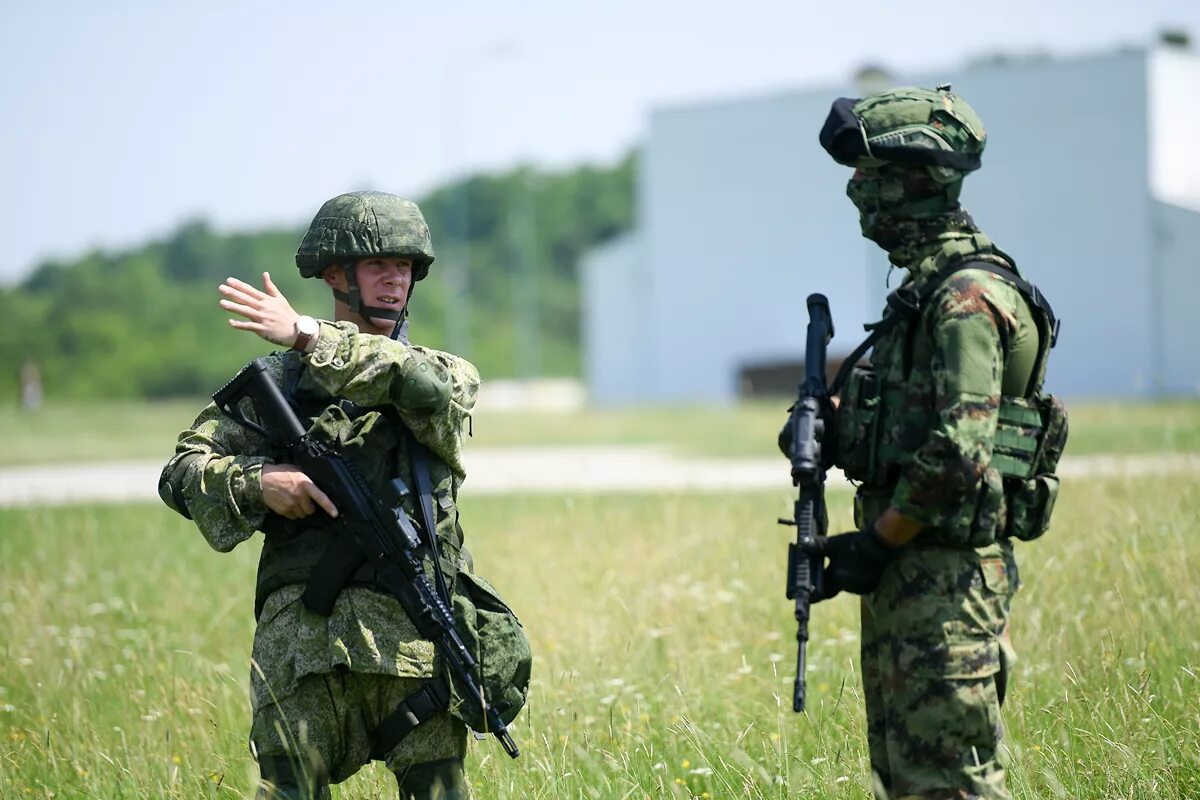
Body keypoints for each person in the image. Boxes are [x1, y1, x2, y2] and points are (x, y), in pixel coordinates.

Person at [159, 191, 481, 799]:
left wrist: (308, 335)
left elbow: (421, 388)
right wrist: (259, 484)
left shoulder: (442, 372)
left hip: (410, 650)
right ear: (336, 274)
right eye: (378, 264)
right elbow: (180, 473)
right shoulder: (276, 384)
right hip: (300, 653)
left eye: (405, 267)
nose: (394, 279)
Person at [805, 86, 1064, 799]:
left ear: (909, 181)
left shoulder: (965, 299)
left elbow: (958, 451)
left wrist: (879, 541)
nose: (857, 191)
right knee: (907, 777)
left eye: (868, 174)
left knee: (949, 784)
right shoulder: (929, 292)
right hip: (913, 578)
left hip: (944, 579)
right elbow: (918, 423)